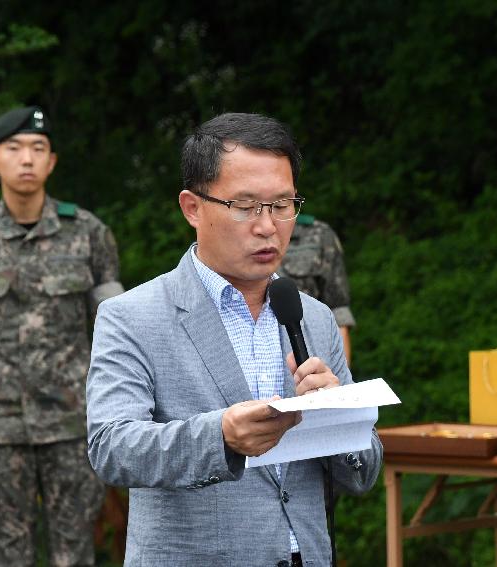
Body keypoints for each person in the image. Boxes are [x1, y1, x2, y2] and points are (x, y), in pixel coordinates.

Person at [86, 112, 383, 567]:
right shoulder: (132, 316)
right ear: (192, 207)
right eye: (245, 206)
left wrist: (338, 415)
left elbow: (361, 475)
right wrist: (220, 436)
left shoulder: (313, 316)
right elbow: (112, 447)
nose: (268, 226)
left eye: (283, 205)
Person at [0, 106, 123, 567]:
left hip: (73, 424)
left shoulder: (89, 234)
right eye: (13, 148)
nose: (26, 159)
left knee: (75, 553)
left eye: (38, 149)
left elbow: (114, 333)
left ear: (52, 162)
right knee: (7, 555)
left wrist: (118, 412)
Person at [278, 216, 356, 363]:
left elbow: (338, 310)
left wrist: (341, 382)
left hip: (309, 358)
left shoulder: (319, 233)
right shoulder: (234, 232)